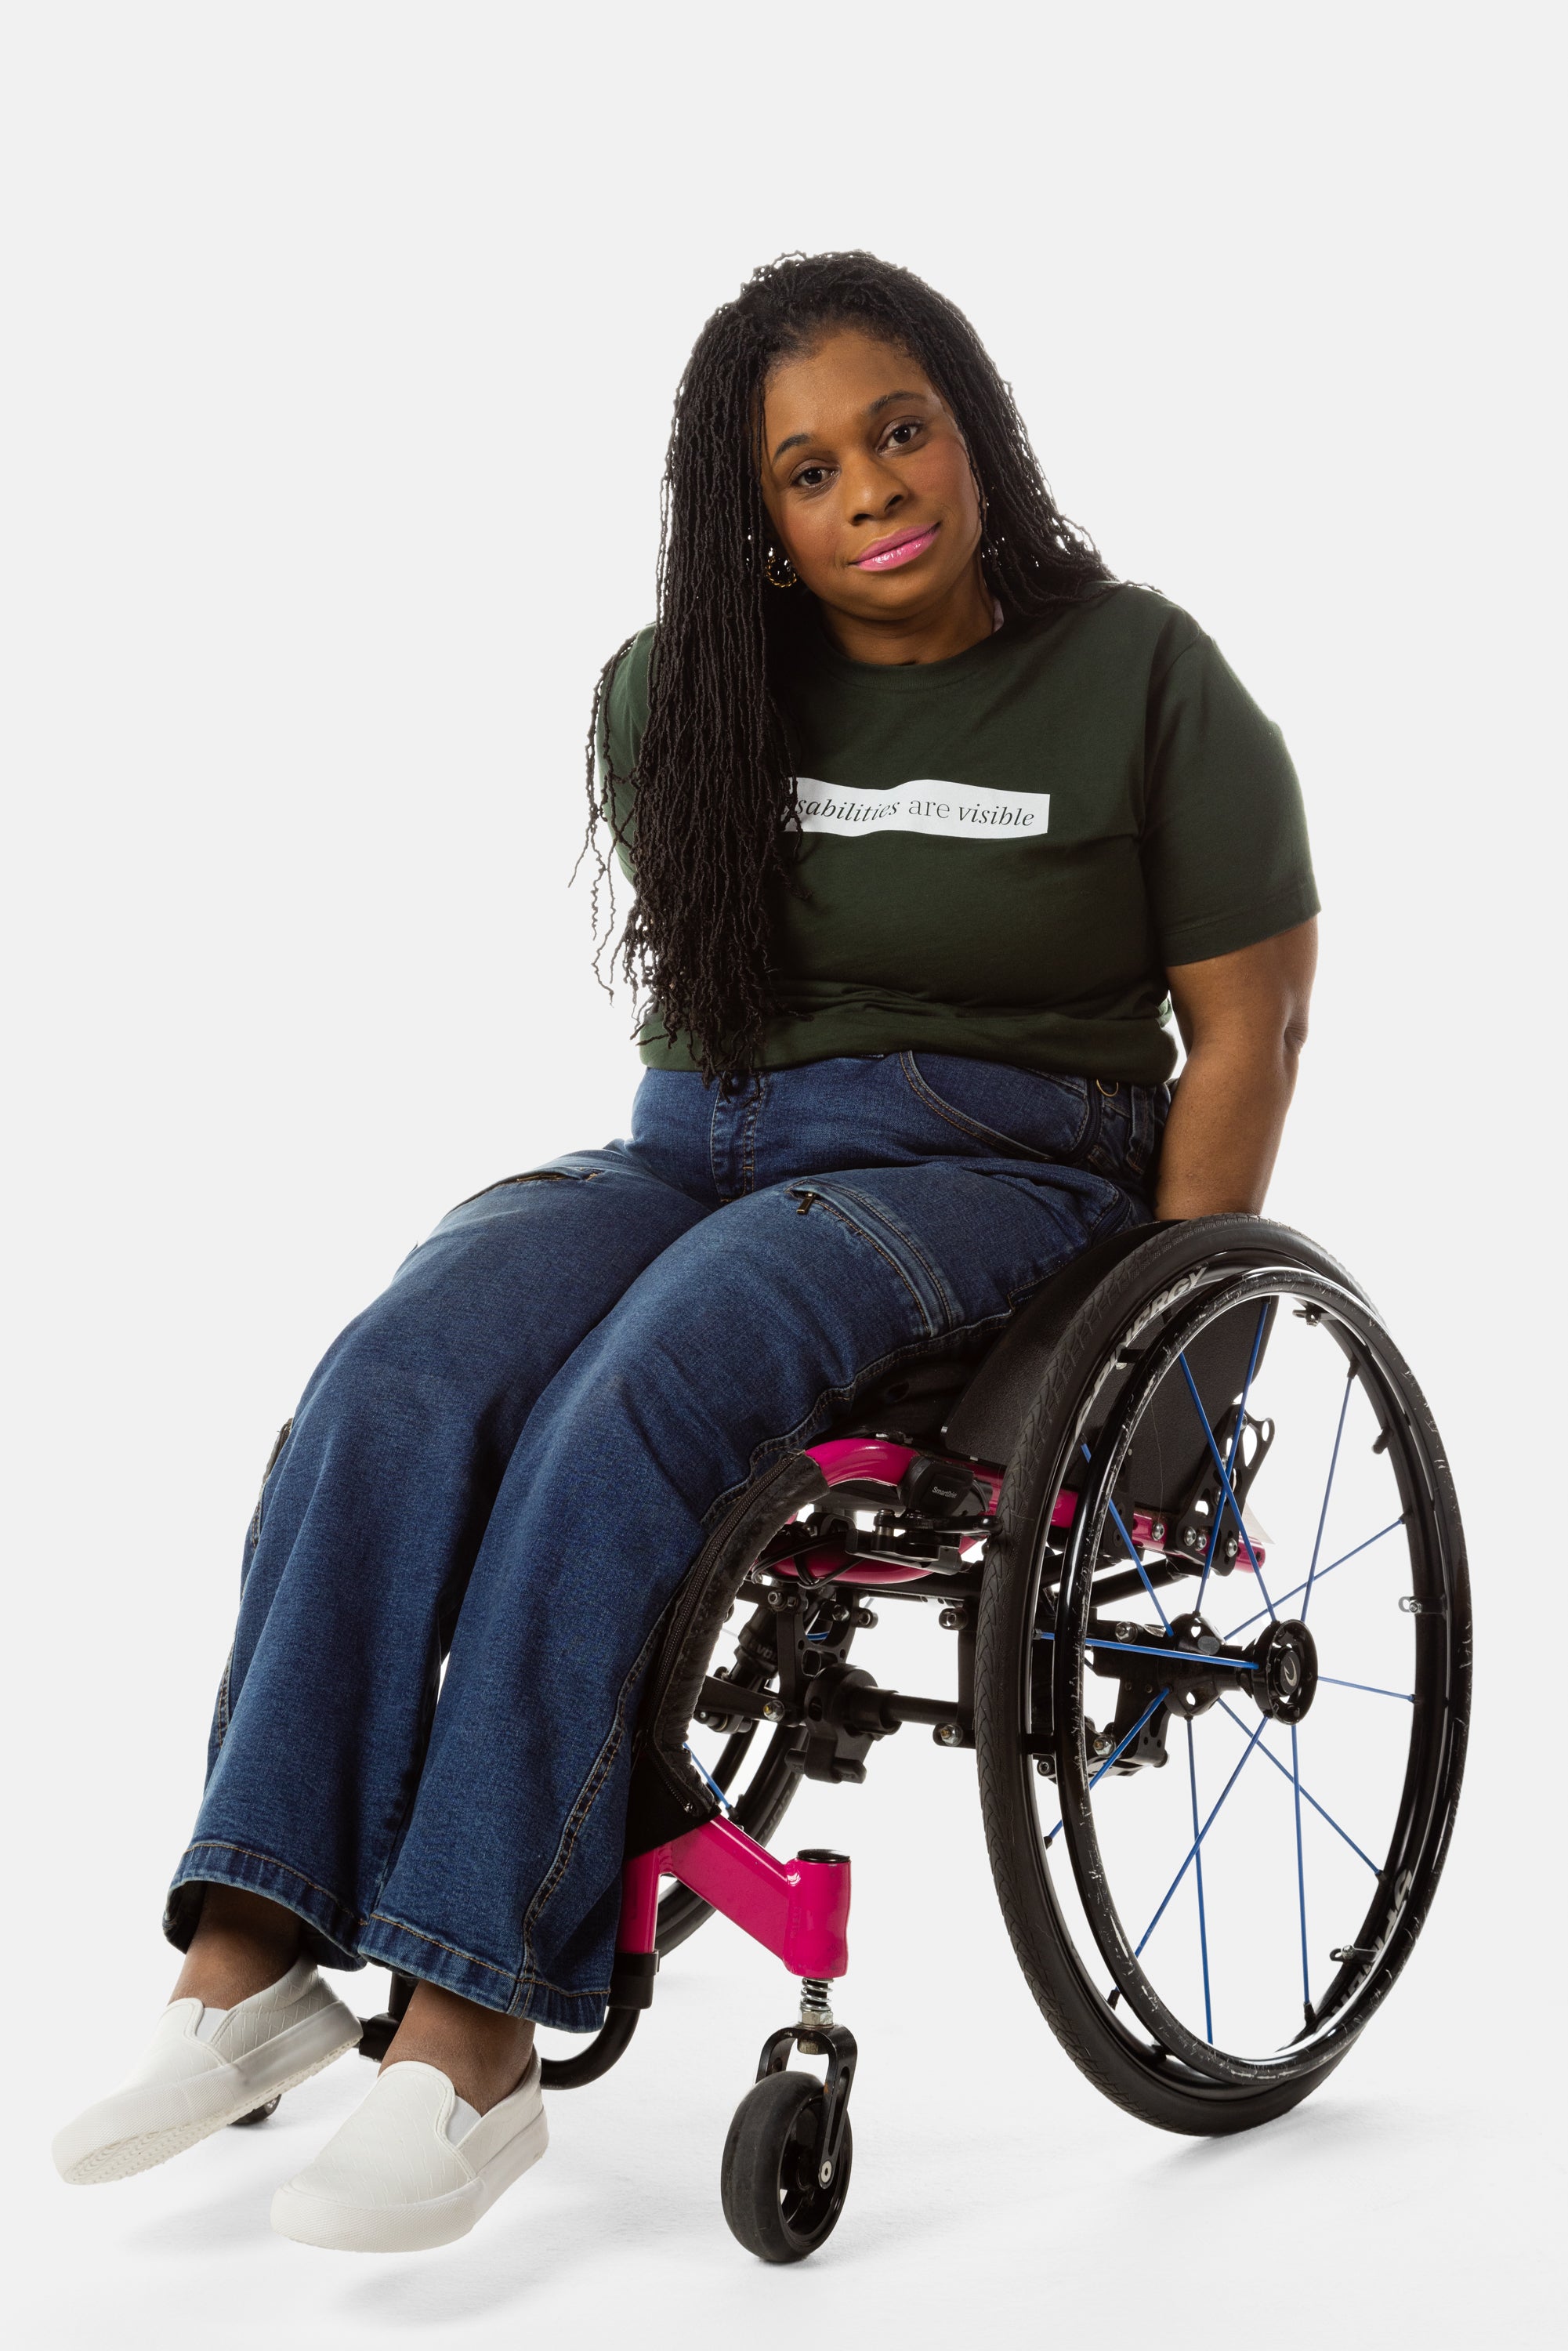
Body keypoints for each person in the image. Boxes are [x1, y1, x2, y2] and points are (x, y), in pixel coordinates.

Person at [52, 251, 1319, 2251]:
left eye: (896, 431)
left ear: (967, 425)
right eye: (806, 472)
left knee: (655, 1372)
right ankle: (254, 1944)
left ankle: (468, 2024)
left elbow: (1244, 1030)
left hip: (997, 1156)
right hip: (695, 1138)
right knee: (405, 1362)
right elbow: (717, 1004)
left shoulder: (1139, 673)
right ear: (762, 518)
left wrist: (1169, 1344)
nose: (868, 490)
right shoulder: (679, 695)